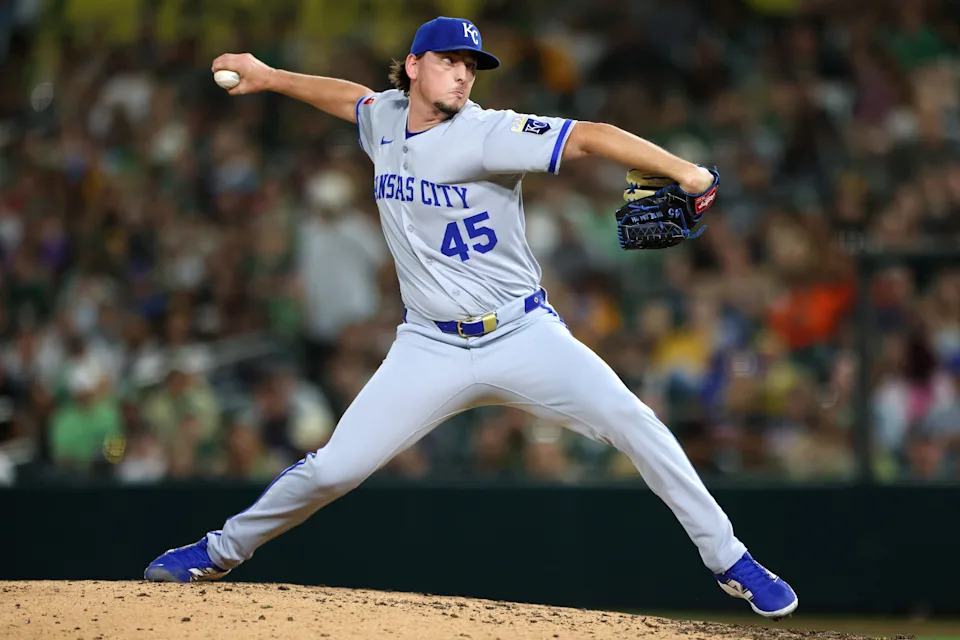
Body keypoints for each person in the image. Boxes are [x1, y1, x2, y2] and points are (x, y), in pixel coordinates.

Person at [144, 16, 798, 619]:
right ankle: (219, 551)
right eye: (450, 61)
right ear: (413, 67)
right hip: (428, 346)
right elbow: (349, 99)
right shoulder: (384, 118)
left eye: (471, 65)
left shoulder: (487, 133)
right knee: (334, 468)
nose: (463, 74)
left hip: (522, 334)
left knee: (635, 422)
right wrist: (269, 76)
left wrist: (685, 171)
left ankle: (731, 560)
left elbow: (590, 137)